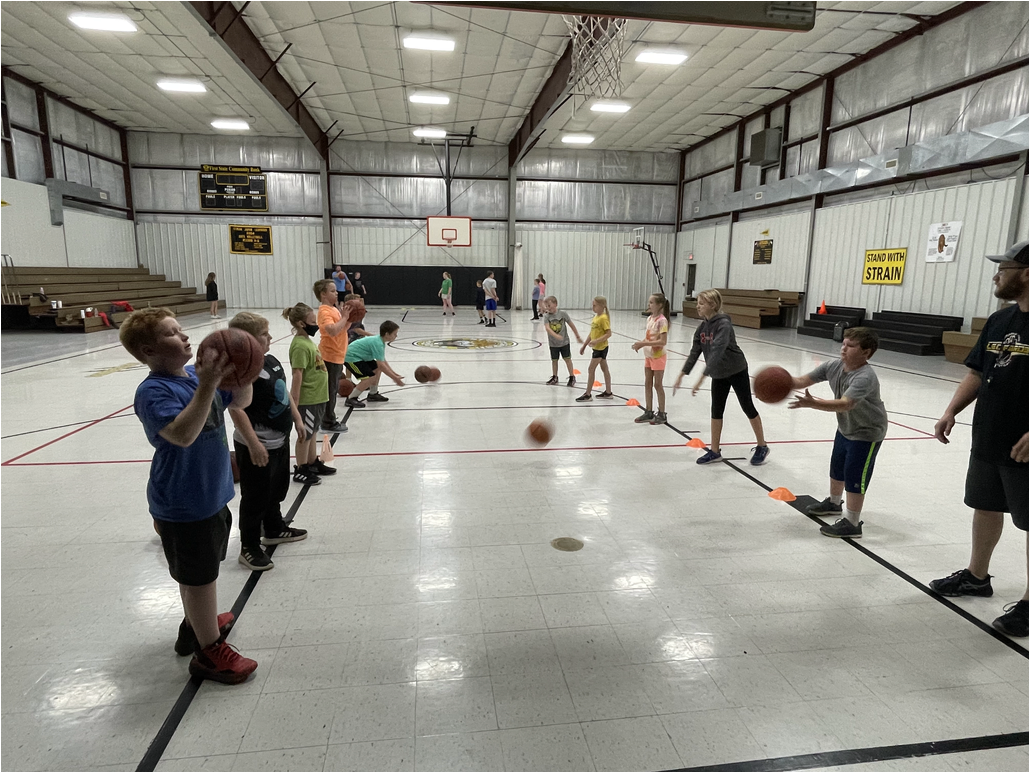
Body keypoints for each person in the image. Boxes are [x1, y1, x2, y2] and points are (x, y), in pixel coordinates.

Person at [120, 307, 258, 684]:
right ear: (148, 350)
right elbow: (182, 435)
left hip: (212, 494)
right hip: (182, 502)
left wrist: (242, 370)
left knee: (204, 571)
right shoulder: (154, 391)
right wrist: (209, 385)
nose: (184, 336)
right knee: (198, 578)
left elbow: (241, 402)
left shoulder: (198, 378)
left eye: (182, 329)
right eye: (171, 333)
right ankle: (208, 653)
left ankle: (196, 624)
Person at [929, 241, 1028, 638]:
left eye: (1003, 268)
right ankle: (976, 575)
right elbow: (976, 370)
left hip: (1025, 444)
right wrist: (952, 409)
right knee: (985, 505)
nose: (996, 275)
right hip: (990, 436)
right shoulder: (1000, 319)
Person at [227, 312, 311, 572]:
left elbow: (283, 392)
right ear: (247, 340)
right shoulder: (243, 371)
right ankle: (249, 546)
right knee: (254, 497)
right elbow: (236, 409)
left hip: (279, 440)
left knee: (276, 489)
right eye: (264, 334)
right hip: (257, 446)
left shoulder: (271, 361)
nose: (271, 337)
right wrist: (253, 444)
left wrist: (297, 418)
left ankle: (274, 528)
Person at [788, 327, 888, 539]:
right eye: (843, 343)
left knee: (854, 474)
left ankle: (852, 523)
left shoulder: (865, 376)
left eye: (850, 346)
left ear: (866, 352)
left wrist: (812, 403)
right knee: (838, 466)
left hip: (867, 431)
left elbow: (845, 404)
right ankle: (834, 503)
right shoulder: (833, 366)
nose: (843, 349)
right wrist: (781, 382)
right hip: (846, 427)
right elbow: (801, 381)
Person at [674, 289, 770, 466]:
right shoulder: (702, 328)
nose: (698, 306)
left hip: (736, 369)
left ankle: (762, 445)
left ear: (713, 305)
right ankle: (715, 451)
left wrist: (702, 377)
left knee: (747, 406)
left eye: (701, 303)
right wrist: (682, 373)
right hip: (718, 373)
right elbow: (695, 351)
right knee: (716, 410)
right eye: (698, 303)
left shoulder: (724, 325)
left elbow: (718, 350)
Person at [283, 302, 329, 486]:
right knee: (305, 435)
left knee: (313, 431)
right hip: (307, 399)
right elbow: (297, 375)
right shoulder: (300, 346)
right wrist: (295, 403)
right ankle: (301, 468)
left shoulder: (307, 342)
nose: (316, 324)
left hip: (318, 397)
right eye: (312, 321)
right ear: (302, 324)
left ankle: (312, 462)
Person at [314, 278, 352, 434]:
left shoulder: (334, 309)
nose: (336, 293)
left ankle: (328, 419)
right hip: (329, 356)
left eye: (336, 290)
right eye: (332, 291)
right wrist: (343, 318)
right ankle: (328, 422)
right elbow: (332, 330)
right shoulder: (324, 311)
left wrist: (350, 318)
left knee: (332, 388)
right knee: (330, 390)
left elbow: (342, 330)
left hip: (337, 355)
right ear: (323, 294)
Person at [630, 293, 671, 425]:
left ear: (659, 305)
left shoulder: (662, 321)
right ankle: (648, 411)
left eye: (652, 302)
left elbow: (662, 341)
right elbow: (649, 338)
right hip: (648, 355)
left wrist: (644, 344)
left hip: (658, 356)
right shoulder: (650, 319)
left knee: (657, 384)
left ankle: (662, 413)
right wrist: (640, 343)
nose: (649, 305)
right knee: (648, 382)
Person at [344, 321, 405, 405]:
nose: (396, 336)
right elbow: (382, 365)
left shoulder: (379, 341)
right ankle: (351, 398)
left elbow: (382, 361)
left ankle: (373, 394)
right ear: (387, 334)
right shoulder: (378, 343)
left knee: (377, 369)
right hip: (351, 358)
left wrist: (394, 374)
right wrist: (395, 378)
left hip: (360, 357)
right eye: (395, 333)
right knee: (368, 378)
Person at [577, 296, 614, 401]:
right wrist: (584, 345)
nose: (593, 307)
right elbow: (591, 333)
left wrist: (596, 341)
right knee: (604, 368)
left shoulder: (603, 318)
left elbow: (608, 333)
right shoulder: (596, 317)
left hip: (600, 348)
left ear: (602, 306)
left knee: (591, 369)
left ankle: (588, 394)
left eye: (595, 305)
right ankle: (608, 392)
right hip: (597, 347)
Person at [541, 295, 581, 387]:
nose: (547, 308)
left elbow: (571, 324)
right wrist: (555, 335)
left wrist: (577, 335)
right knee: (554, 360)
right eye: (546, 306)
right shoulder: (547, 316)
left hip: (564, 343)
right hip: (553, 343)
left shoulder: (563, 314)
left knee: (567, 359)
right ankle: (555, 377)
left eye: (549, 305)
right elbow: (547, 328)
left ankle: (572, 377)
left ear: (555, 304)